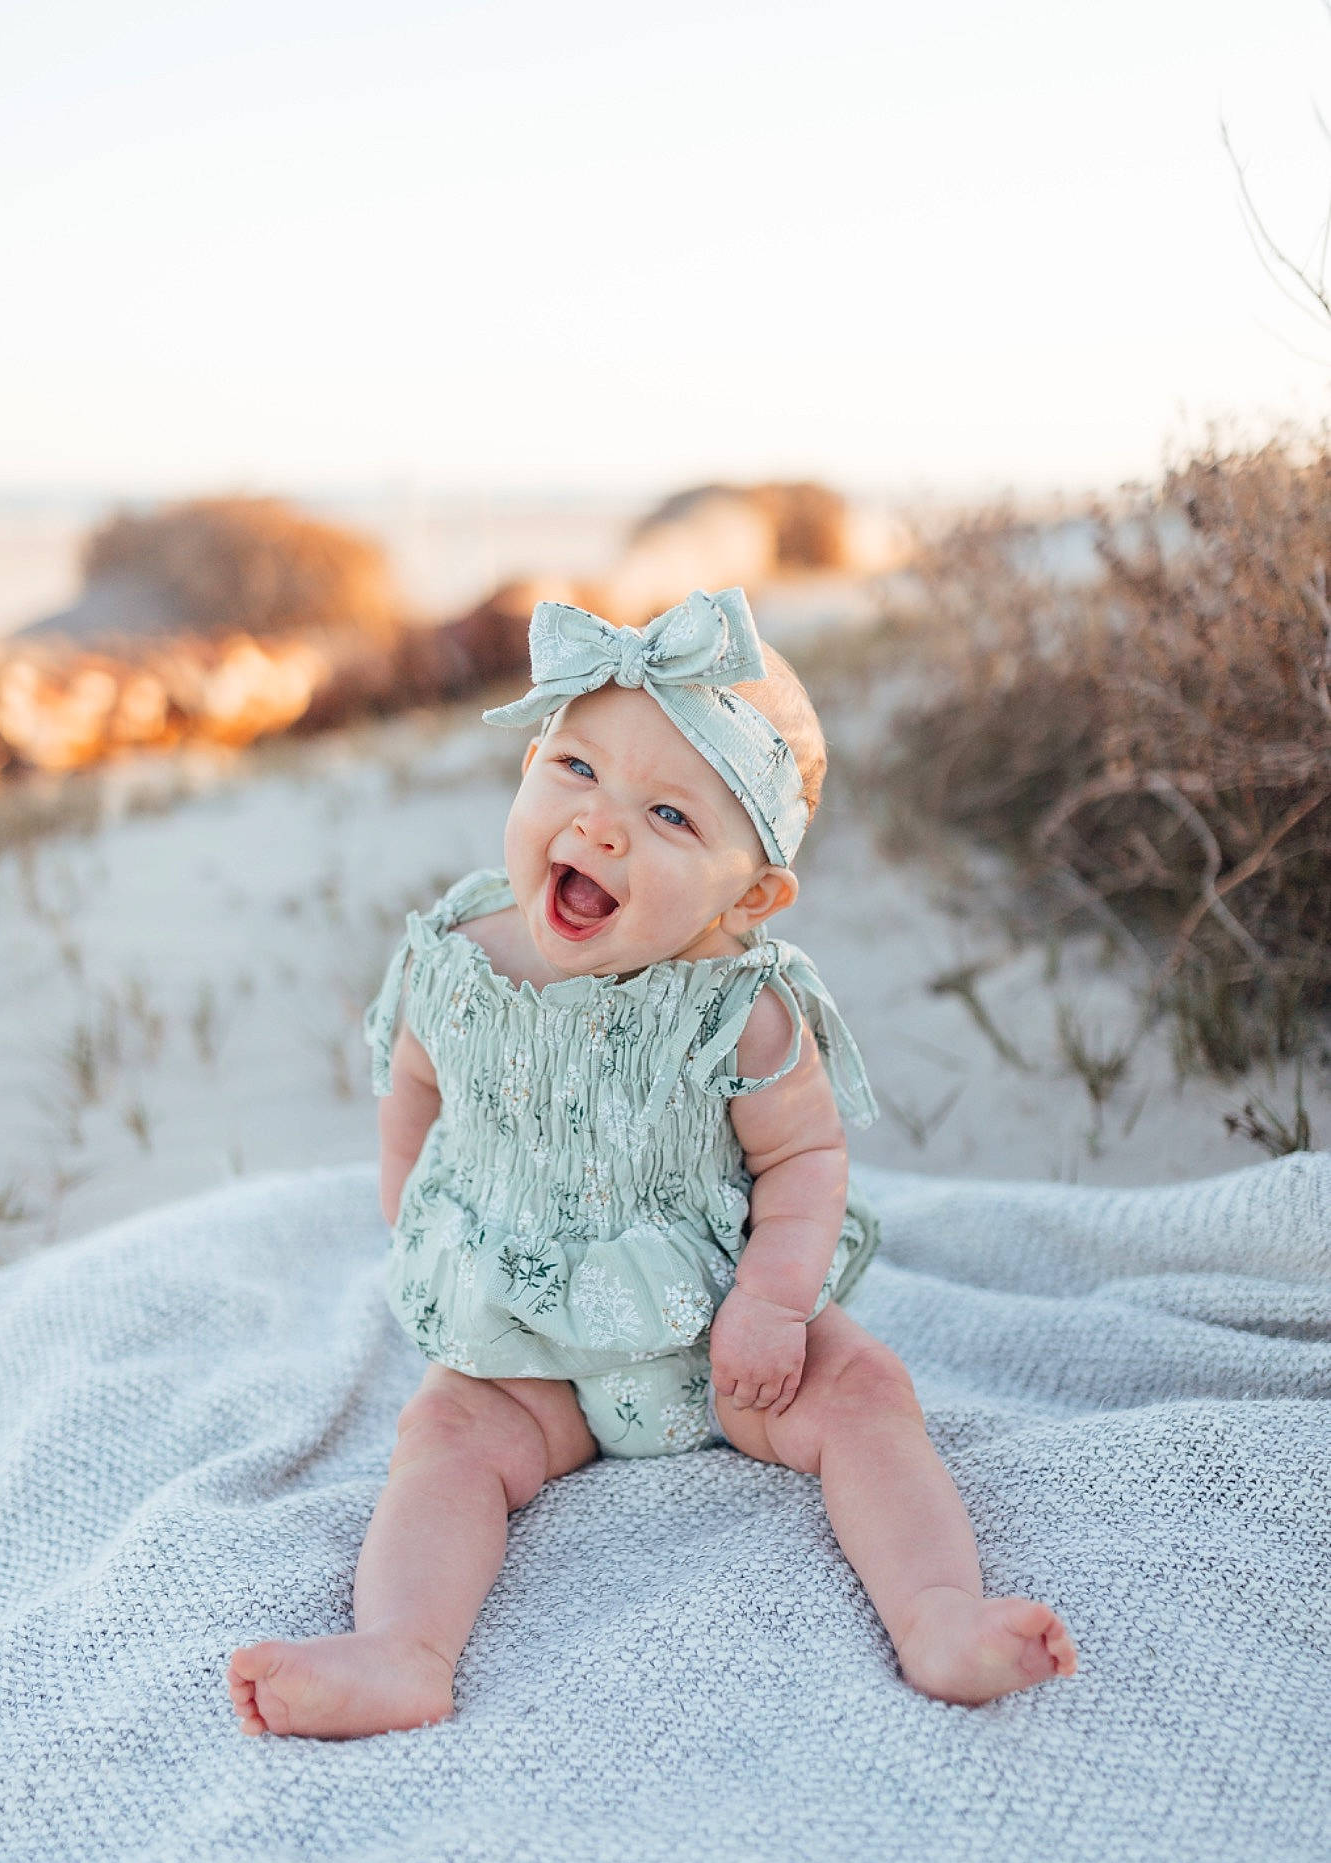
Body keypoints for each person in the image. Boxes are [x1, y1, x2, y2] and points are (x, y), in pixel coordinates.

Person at [228, 586, 1076, 1739]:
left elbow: (804, 1159)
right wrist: (418, 1222)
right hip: (520, 1343)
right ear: (529, 761)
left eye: (670, 813)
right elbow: (414, 1091)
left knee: (866, 1391)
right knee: (443, 1440)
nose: (602, 825)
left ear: (751, 895)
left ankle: (939, 1611)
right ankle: (404, 1648)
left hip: (717, 1338)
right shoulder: (456, 963)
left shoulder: (742, 1008)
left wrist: (773, 1302)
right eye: (576, 767)